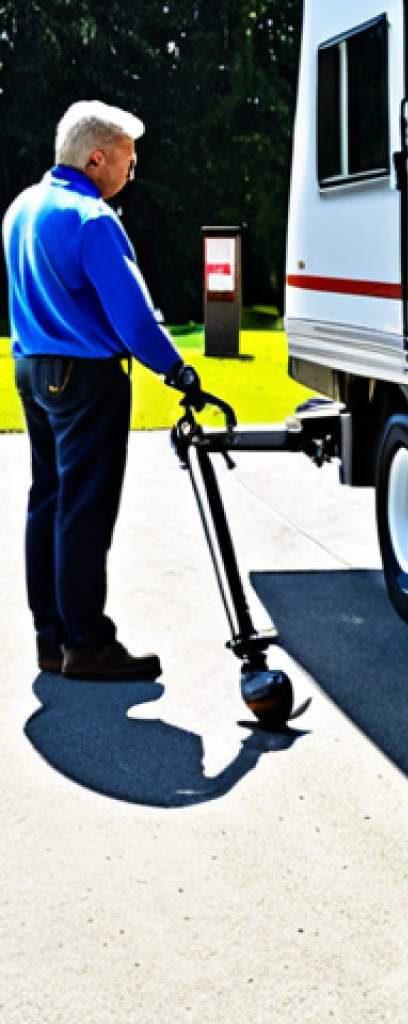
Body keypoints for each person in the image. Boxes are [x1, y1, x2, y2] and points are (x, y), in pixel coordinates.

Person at [3, 100, 202, 681]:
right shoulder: (93, 219)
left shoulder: (22, 208)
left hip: (31, 369)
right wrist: (179, 372)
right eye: (128, 161)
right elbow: (136, 321)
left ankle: (52, 637)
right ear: (96, 160)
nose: (130, 173)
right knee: (85, 512)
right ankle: (88, 644)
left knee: (49, 501)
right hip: (85, 377)